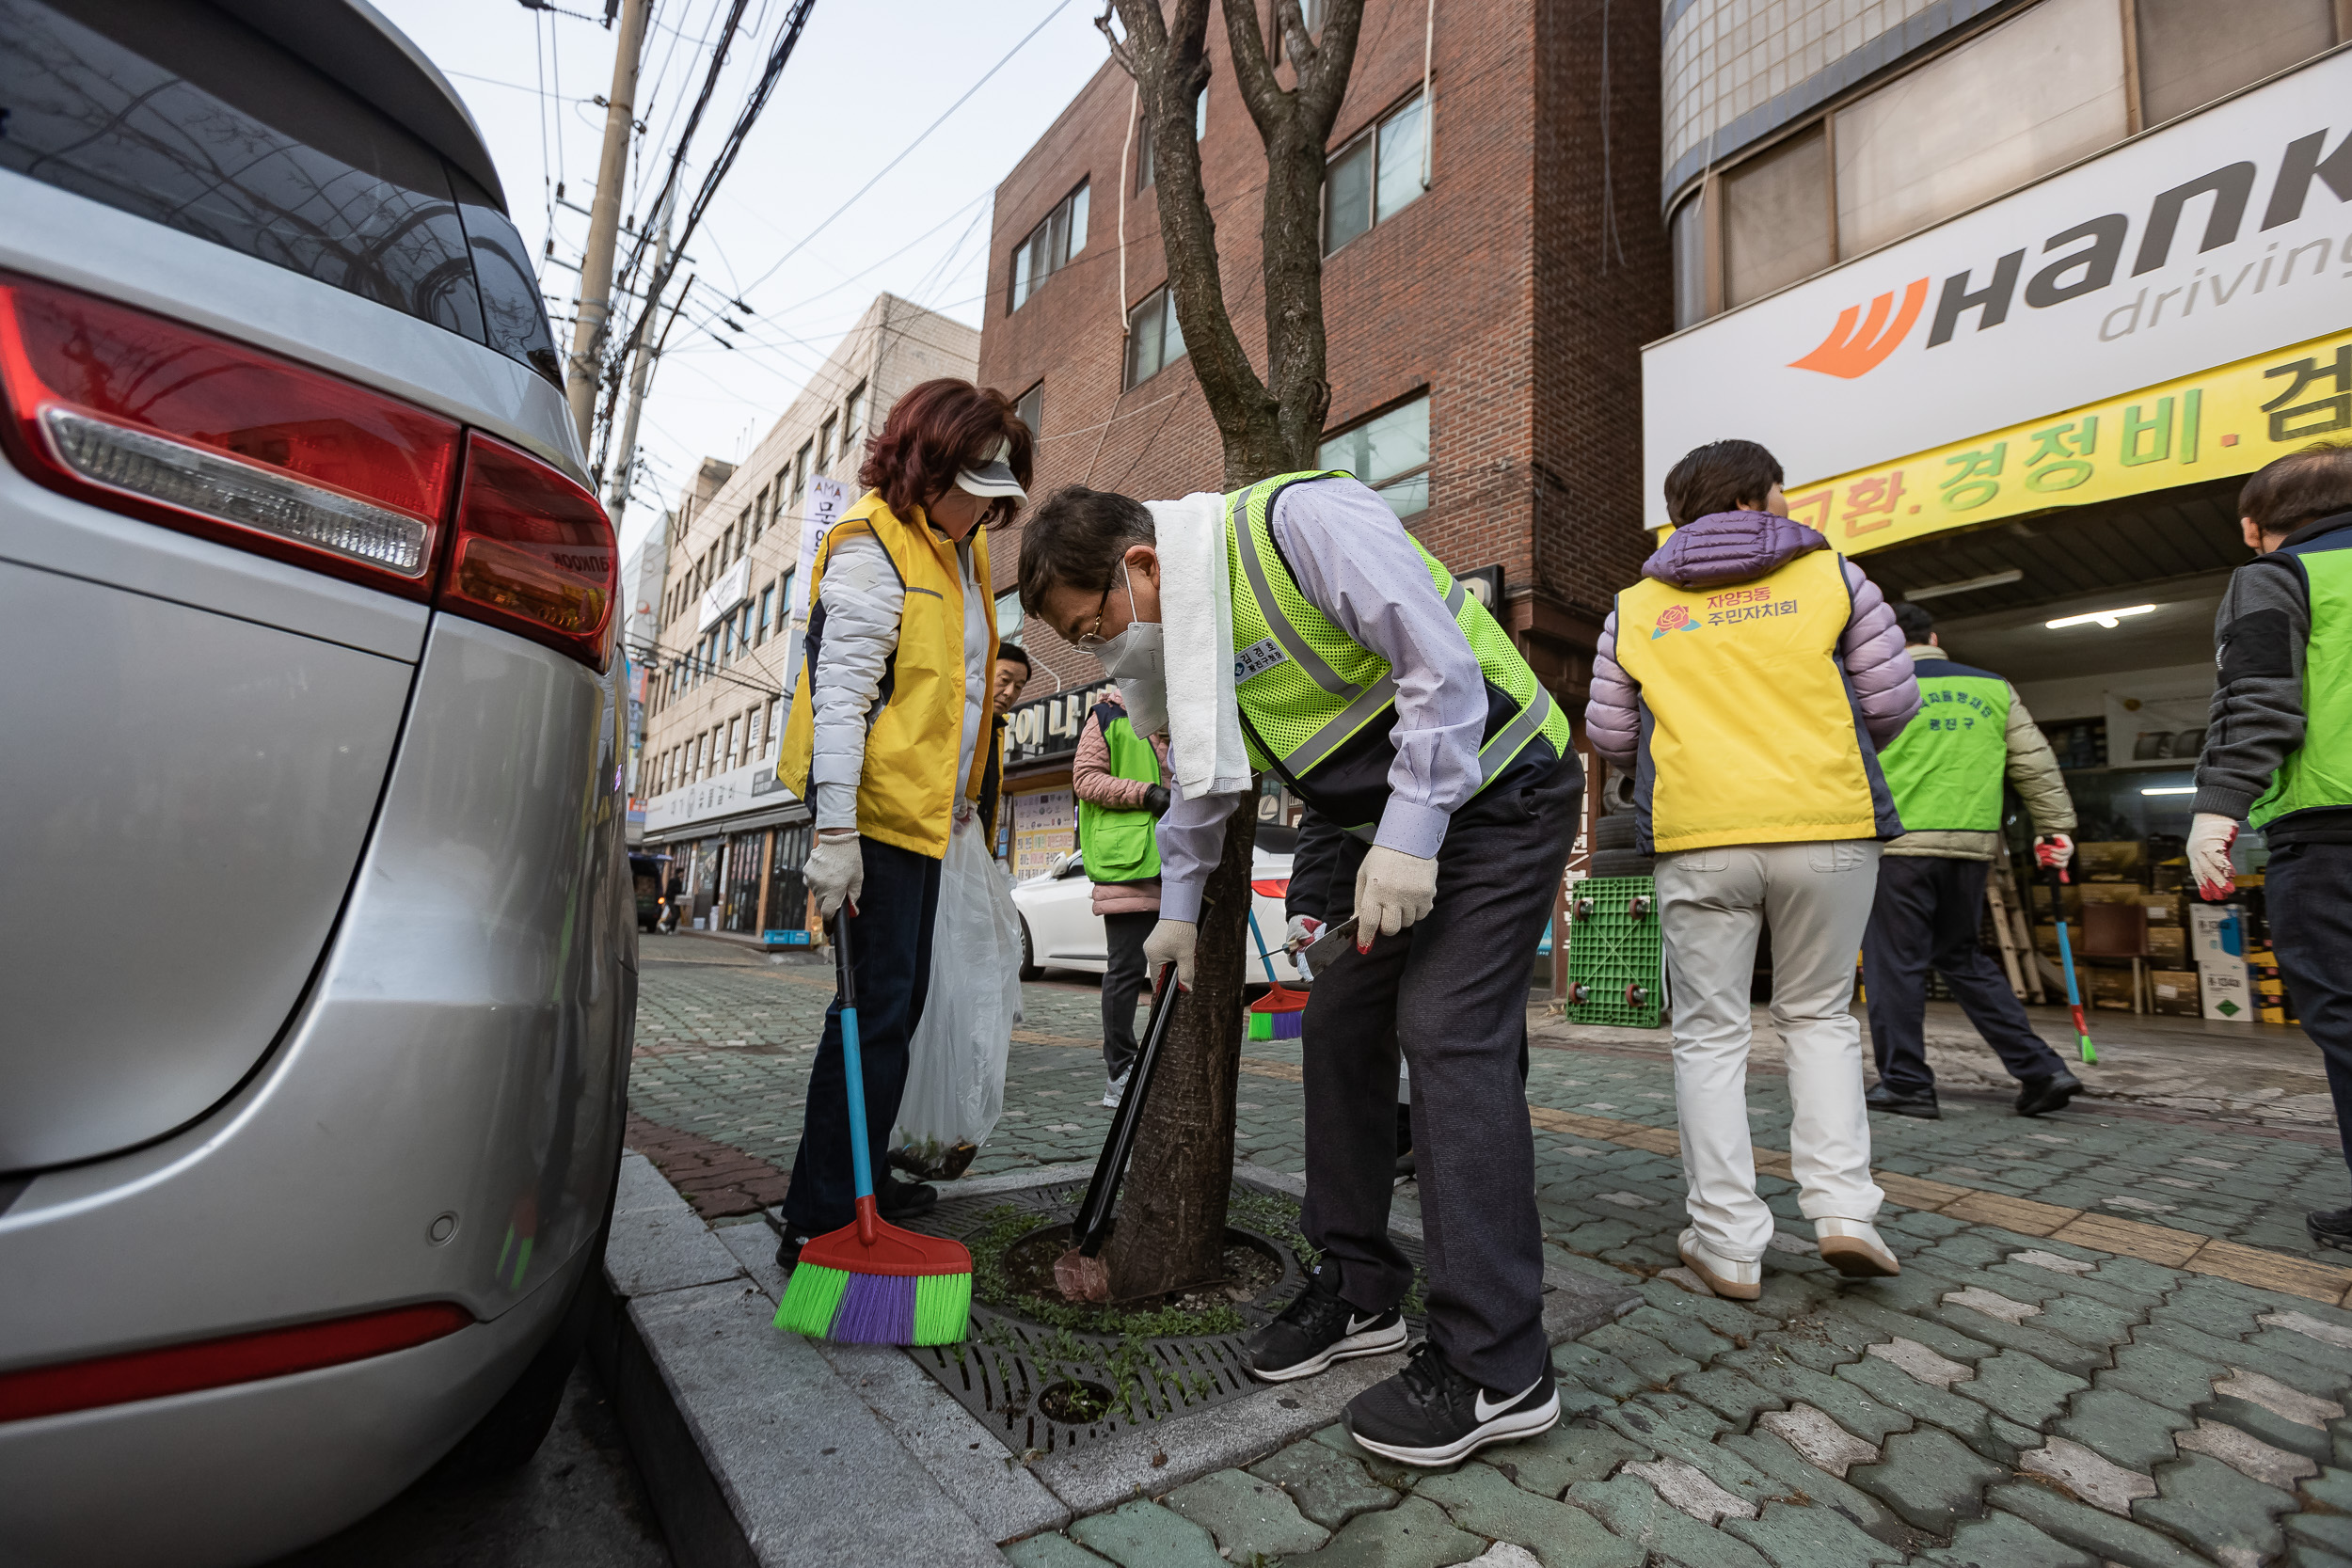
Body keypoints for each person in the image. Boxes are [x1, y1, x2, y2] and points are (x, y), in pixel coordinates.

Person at [1020, 471, 1579, 1469]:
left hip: (1503, 789)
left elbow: (1439, 666)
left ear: (1139, 565)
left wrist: (1409, 838)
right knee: (1337, 1025)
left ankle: (1499, 1360)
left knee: (1446, 1028)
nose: (1101, 650)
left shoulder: (1296, 527)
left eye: (1094, 622)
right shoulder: (1184, 642)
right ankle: (1361, 1284)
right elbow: (1197, 788)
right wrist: (1177, 922)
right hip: (1388, 828)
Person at [1585, 438, 1919, 1302]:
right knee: (1817, 1018)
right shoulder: (1836, 578)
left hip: (1700, 838)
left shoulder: (1635, 606)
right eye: (1778, 492)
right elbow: (1888, 700)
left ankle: (1727, 1239)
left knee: (1709, 1033)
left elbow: (1613, 735)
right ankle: (1845, 1211)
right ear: (1758, 498)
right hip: (1828, 824)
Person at [771, 379, 1032, 1266]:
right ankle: (820, 1211)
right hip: (872, 815)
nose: (987, 514)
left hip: (926, 816)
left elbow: (960, 671)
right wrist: (835, 835)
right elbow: (840, 700)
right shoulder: (870, 548)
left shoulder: (959, 551)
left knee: (896, 1005)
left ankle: (859, 1175)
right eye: (978, 490)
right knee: (873, 1008)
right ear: (930, 462)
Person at [2189, 442, 2352, 1253]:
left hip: (2331, 837)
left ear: (2257, 528)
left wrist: (2218, 809)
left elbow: (2258, 696)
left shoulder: (2281, 575)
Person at [1862, 601, 2083, 1120]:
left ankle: (1908, 1085)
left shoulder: (1871, 687)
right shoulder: (1993, 687)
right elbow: (2035, 764)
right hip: (1971, 847)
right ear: (1934, 639)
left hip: (1898, 848)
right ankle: (2041, 1070)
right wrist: (2056, 829)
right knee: (1962, 957)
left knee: (1895, 965)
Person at [1281, 808, 1414, 1176]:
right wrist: (1306, 905)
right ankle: (1345, 1227)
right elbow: (1323, 810)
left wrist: (1416, 833)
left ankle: (1485, 1163)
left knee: (1444, 1024)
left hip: (1485, 833)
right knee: (1336, 1024)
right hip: (1367, 855)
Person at [1071, 689, 1172, 1107]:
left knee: (1174, 973)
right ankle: (1121, 1070)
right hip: (1130, 863)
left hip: (1180, 862)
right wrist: (1147, 794)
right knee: (1127, 970)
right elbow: (1085, 778)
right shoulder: (1109, 714)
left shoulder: (1189, 709)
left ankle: (1165, 1062)